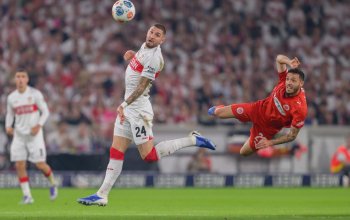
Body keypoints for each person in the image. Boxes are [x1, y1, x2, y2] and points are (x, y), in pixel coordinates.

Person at [78, 24, 216, 206]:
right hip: (128, 109)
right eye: (151, 32)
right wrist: (132, 57)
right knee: (116, 150)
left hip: (138, 111)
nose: (152, 36)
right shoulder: (145, 47)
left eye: (157, 35)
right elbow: (138, 67)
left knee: (149, 156)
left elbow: (142, 86)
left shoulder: (155, 58)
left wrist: (124, 104)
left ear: (162, 40)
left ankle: (192, 140)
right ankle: (102, 195)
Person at [209, 54, 307, 156]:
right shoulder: (283, 81)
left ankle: (253, 136)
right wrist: (289, 62)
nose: (289, 83)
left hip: (267, 128)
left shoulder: (300, 108)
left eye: (293, 81)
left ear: (301, 83)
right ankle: (219, 110)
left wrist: (270, 143)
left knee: (243, 153)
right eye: (288, 79)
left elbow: (292, 136)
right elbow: (278, 58)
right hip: (256, 109)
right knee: (219, 113)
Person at [5, 70, 58, 204]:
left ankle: (53, 182)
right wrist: (8, 126)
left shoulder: (35, 94)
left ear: (27, 79)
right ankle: (27, 196)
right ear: (15, 79)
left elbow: (45, 111)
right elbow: (10, 114)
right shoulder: (11, 97)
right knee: (19, 165)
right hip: (19, 135)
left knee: (40, 165)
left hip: (34, 135)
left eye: (23, 77)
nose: (20, 79)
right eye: (18, 77)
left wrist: (39, 125)